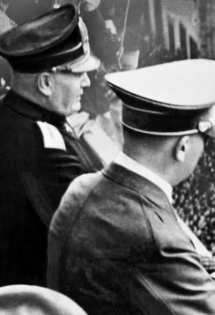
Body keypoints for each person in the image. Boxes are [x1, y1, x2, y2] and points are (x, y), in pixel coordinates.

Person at [48, 59, 215, 314]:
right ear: (182, 147)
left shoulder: (80, 189)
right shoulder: (158, 239)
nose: (204, 148)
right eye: (204, 138)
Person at [0, 4, 103, 286]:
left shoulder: (14, 114)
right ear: (45, 83)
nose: (86, 82)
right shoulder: (43, 150)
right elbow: (97, 234)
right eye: (77, 73)